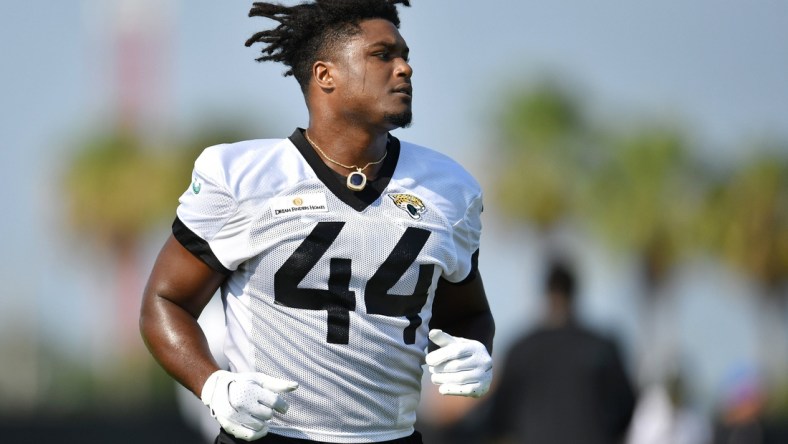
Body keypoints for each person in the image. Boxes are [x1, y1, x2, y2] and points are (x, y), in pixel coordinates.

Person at [138, 1, 495, 443]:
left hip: (393, 437)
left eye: (405, 55)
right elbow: (166, 301)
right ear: (325, 74)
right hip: (273, 436)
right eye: (383, 55)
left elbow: (470, 313)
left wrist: (476, 350)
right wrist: (213, 383)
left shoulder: (449, 189)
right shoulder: (243, 176)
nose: (404, 69)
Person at [486, 257, 635, 444]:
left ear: (546, 291)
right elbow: (626, 409)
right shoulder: (603, 348)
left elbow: (499, 417)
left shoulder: (520, 349)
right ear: (574, 292)